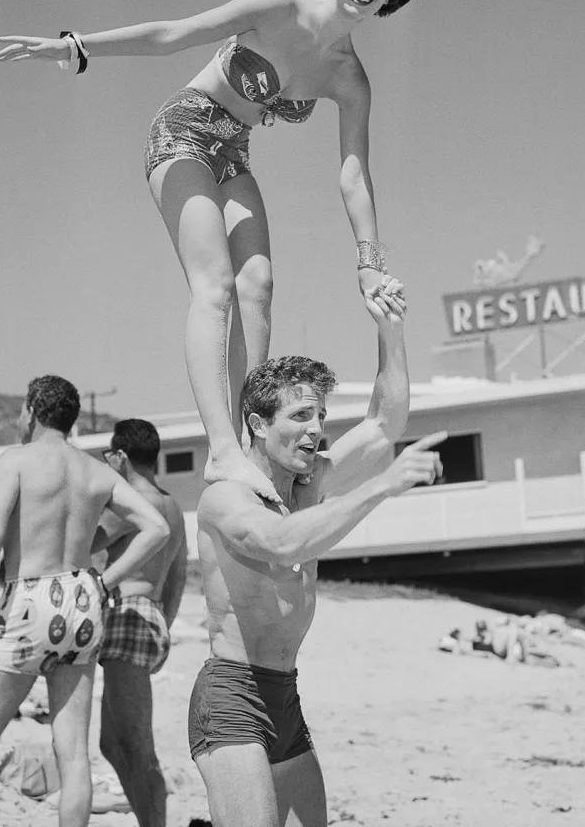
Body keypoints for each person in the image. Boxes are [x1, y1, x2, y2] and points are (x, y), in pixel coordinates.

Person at [0, 0, 417, 497]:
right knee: (214, 285)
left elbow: (354, 172)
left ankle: (251, 440)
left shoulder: (349, 78)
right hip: (184, 131)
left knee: (259, 285)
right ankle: (221, 449)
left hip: (233, 154)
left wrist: (368, 259)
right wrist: (78, 46)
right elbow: (174, 33)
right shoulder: (275, 9)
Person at [189, 290, 445, 827]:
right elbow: (282, 545)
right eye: (301, 415)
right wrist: (380, 488)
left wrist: (391, 331)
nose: (317, 429)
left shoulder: (310, 484)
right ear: (258, 425)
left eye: (321, 416)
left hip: (284, 692)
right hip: (234, 695)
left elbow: (384, 424)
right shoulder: (226, 497)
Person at [0, 375, 170, 827]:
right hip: (83, 597)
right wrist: (105, 582)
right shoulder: (96, 470)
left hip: (30, 593)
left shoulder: (15, 460)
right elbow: (157, 528)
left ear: (31, 410)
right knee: (72, 758)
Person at [94, 417, 188, 827]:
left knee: (135, 745)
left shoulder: (129, 505)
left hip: (127, 617)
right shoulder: (172, 506)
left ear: (121, 456)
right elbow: (179, 576)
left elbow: (81, 544)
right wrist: (163, 625)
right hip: (150, 618)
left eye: (108, 456)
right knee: (112, 744)